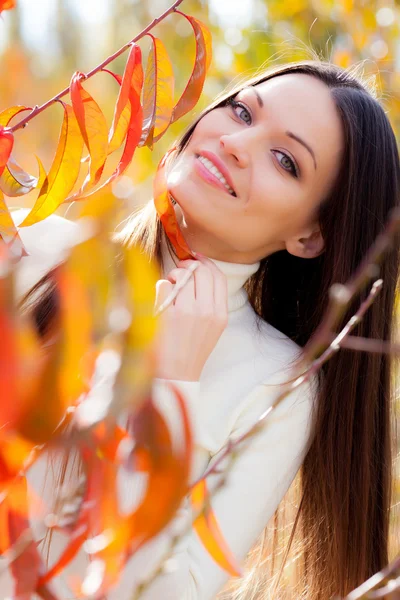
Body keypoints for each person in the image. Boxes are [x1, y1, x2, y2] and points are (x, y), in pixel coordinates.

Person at [11, 58, 400, 600]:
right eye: (241, 111)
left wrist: (170, 385)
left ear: (311, 235)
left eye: (285, 160)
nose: (238, 143)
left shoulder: (276, 384)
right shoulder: (29, 250)